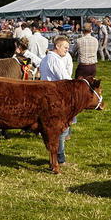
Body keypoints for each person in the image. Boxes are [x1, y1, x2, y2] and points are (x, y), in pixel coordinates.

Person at [39, 35, 74, 167]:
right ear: (57, 46)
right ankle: (60, 158)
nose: (66, 50)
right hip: (55, 97)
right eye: (65, 47)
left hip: (48, 95)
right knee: (60, 130)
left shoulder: (46, 58)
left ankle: (56, 157)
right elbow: (65, 79)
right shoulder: (55, 60)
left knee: (56, 130)